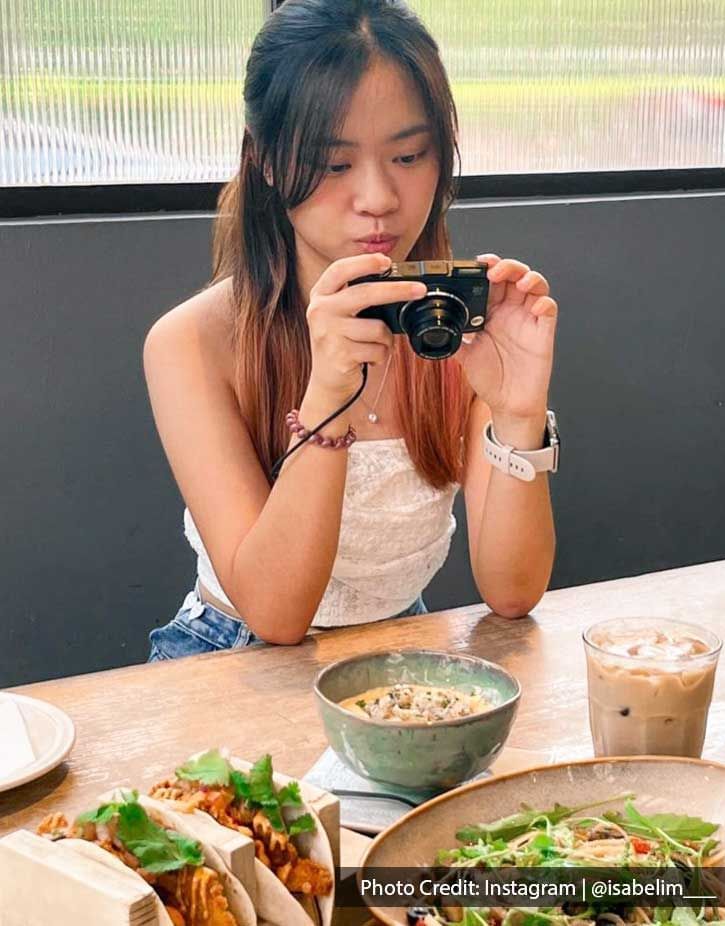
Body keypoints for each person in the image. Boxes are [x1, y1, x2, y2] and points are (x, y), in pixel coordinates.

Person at [143, 0, 559, 661]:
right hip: (232, 656)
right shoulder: (191, 342)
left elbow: (512, 592)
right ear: (269, 162)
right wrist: (328, 395)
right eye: (336, 165)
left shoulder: (451, 327)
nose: (379, 197)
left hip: (402, 645)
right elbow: (277, 615)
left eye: (409, 155)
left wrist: (517, 411)